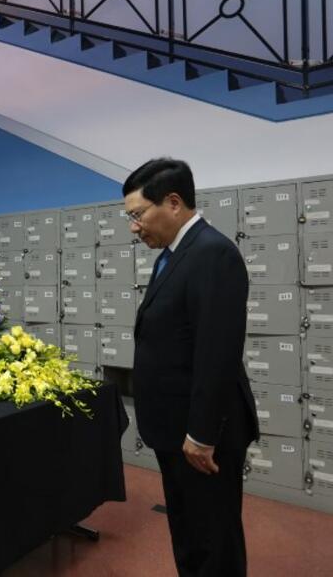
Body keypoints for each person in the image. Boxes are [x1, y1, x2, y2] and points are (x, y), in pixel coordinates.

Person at [123, 158, 258, 576]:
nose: (134, 226)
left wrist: (200, 435)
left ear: (174, 202)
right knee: (188, 533)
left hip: (201, 439)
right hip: (174, 431)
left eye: (138, 214)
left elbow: (216, 352)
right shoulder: (173, 255)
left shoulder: (213, 253)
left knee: (213, 542)